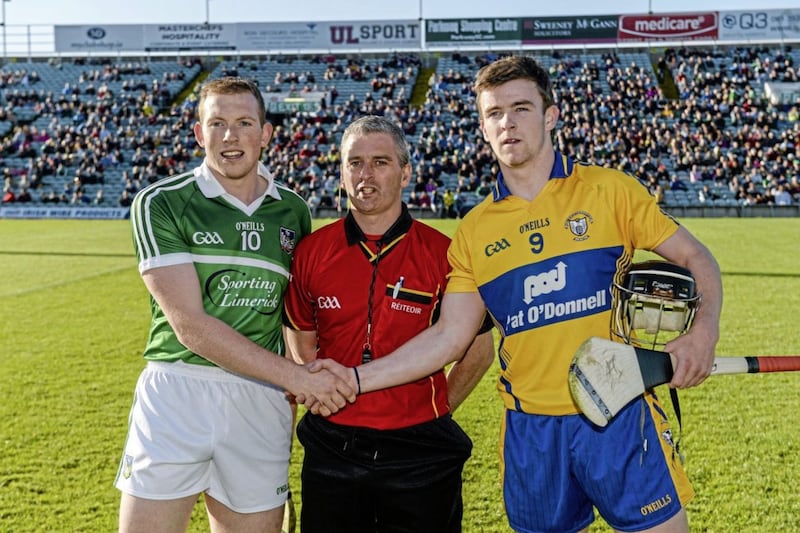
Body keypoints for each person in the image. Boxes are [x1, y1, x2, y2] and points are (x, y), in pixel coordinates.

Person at [307, 56, 723, 533]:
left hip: (621, 412)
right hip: (532, 430)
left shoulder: (610, 191)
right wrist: (355, 380)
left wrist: (703, 330)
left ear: (550, 115)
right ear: (483, 127)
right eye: (494, 113)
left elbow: (697, 258)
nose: (507, 123)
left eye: (521, 108)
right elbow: (448, 338)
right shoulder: (474, 232)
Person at [115, 76, 354, 533]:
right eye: (217, 123)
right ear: (199, 134)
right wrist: (300, 379)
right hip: (177, 391)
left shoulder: (293, 210)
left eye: (244, 122)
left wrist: (295, 384)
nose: (230, 135)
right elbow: (191, 327)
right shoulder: (160, 202)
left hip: (260, 397)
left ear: (265, 134)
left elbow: (295, 315)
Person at [284, 115, 495, 533]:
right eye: (355, 163)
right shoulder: (311, 252)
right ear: (341, 174)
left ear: (405, 173)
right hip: (333, 445)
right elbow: (302, 343)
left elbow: (479, 351)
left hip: (421, 451)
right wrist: (324, 393)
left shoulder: (444, 253)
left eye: (380, 162)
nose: (366, 174)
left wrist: (436, 409)